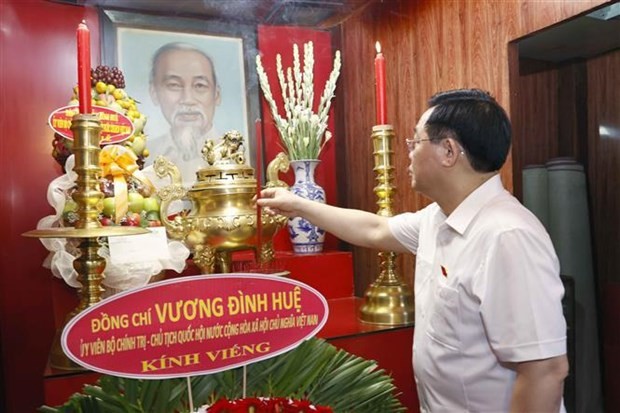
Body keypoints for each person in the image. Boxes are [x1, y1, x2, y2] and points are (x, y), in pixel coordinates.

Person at [258, 89, 569, 412]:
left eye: (415, 142)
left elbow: (544, 371)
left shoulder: (507, 235)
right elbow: (376, 229)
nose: (408, 153)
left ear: (449, 151)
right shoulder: (438, 217)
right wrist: (297, 206)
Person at [145, 42, 232, 188]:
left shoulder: (240, 154)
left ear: (216, 95)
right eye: (174, 85)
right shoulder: (144, 157)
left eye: (200, 86)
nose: (188, 100)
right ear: (154, 93)